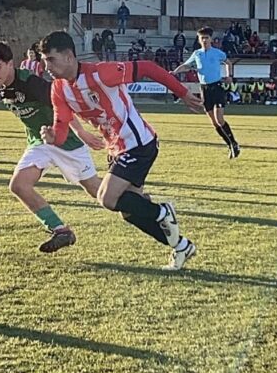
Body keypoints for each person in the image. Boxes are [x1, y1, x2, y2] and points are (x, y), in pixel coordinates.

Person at [38, 30, 205, 271]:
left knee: (106, 198)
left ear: (68, 56)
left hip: (139, 143)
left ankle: (162, 211)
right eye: (44, 61)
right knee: (129, 211)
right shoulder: (58, 90)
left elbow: (147, 67)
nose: (46, 67)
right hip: (116, 149)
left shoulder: (101, 73)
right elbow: (61, 128)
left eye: (50, 60)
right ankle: (181, 246)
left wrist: (183, 93)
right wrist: (54, 137)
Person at [0, 40, 105, 253]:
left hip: (66, 142)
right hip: (39, 142)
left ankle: (137, 197)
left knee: (98, 192)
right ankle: (61, 230)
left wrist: (81, 132)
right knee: (18, 185)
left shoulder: (31, 84)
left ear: (11, 64)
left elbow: (61, 104)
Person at [172, 26, 240, 158]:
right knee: (214, 122)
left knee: (220, 119)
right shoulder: (197, 54)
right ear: (199, 39)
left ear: (211, 39)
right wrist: (175, 72)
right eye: (202, 38)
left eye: (206, 38)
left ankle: (233, 143)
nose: (204, 40)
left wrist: (229, 76)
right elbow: (187, 65)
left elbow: (228, 63)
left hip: (217, 87)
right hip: (204, 88)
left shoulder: (217, 53)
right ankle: (230, 145)